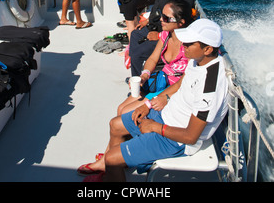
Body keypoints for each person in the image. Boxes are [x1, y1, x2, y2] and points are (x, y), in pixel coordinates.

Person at [79, 18, 228, 182]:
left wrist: (156, 127)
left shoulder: (210, 88)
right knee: (115, 125)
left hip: (176, 140)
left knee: (111, 158)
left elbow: (190, 137)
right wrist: (149, 104)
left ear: (207, 49)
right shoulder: (197, 61)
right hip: (166, 115)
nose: (183, 46)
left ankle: (113, 167)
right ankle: (113, 173)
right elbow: (180, 83)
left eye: (189, 44)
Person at [117, 0, 192, 116]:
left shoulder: (190, 46)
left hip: (173, 91)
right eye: (161, 15)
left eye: (166, 18)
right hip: (160, 81)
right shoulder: (166, 35)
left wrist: (163, 97)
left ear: (181, 22)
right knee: (120, 109)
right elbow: (153, 59)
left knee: (125, 113)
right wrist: (144, 75)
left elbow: (185, 81)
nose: (161, 19)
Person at [129, 0, 195, 77]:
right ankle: (137, 72)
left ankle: (139, 84)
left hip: (165, 33)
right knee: (135, 34)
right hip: (155, 25)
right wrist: (147, 21)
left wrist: (159, 36)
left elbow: (178, 22)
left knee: (138, 54)